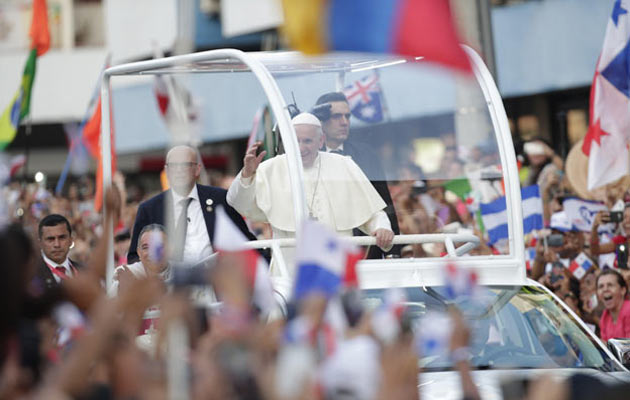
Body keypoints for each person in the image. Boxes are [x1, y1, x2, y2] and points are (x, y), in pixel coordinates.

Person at [227, 112, 394, 275]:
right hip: (290, 270)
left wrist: (382, 228)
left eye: (307, 141)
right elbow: (238, 203)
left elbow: (370, 211)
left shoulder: (343, 165)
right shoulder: (269, 168)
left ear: (321, 141)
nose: (300, 148)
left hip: (336, 266)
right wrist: (247, 174)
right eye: (295, 141)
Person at [128, 145, 256, 265]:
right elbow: (135, 257)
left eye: (185, 165)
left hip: (217, 279)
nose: (178, 171)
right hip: (173, 284)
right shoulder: (150, 209)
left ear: (197, 169)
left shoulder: (220, 199)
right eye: (173, 166)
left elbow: (246, 241)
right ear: (166, 170)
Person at [313, 92, 401, 258]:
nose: (344, 122)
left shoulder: (366, 155)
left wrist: (394, 252)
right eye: (337, 116)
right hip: (321, 251)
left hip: (365, 250)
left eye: (347, 116)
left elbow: (384, 203)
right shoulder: (307, 158)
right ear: (321, 120)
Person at [110, 224, 170, 296]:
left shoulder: (181, 276)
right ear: (139, 253)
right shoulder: (126, 274)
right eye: (145, 247)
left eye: (158, 247)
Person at [36, 214, 82, 290]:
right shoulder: (31, 277)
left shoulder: (84, 272)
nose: (57, 244)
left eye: (62, 238)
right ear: (40, 243)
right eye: (50, 239)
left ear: (70, 240)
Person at [597, 268, 630, 342]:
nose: (605, 289)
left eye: (610, 285)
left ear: (623, 290)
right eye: (601, 286)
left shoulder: (629, 310)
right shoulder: (605, 316)